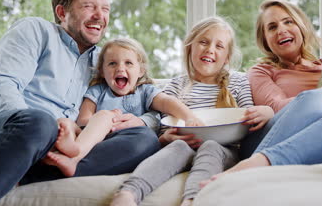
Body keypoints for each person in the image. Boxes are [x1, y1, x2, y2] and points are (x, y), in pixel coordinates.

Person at [0, 0, 160, 206]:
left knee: (145, 139)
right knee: (40, 122)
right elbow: (0, 87)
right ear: (62, 12)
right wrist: (52, 126)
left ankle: (28, 173)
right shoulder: (36, 30)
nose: (100, 16)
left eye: (105, 9)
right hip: (6, 133)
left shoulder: (106, 61)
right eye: (89, 6)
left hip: (62, 147)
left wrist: (144, 121)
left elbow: (142, 94)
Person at [200, 0, 322, 187]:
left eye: (288, 22)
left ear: (302, 26)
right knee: (318, 98)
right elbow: (276, 107)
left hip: (318, 139)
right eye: (272, 27)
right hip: (269, 138)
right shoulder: (261, 71)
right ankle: (256, 162)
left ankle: (261, 166)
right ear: (265, 39)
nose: (281, 30)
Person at [110, 16, 274, 206]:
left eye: (219, 46)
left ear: (227, 57)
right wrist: (166, 138)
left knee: (211, 146)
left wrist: (267, 111)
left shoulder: (237, 81)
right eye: (203, 42)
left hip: (225, 151)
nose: (210, 49)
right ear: (190, 48)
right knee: (178, 147)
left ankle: (193, 200)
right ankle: (128, 194)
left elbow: (248, 117)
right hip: (184, 146)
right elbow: (164, 130)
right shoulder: (176, 86)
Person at [44, 38, 204, 177]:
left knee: (147, 138)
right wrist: (107, 121)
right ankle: (73, 151)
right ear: (102, 71)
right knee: (68, 122)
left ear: (140, 70)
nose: (120, 68)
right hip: (94, 141)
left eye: (128, 63)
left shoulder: (145, 91)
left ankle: (74, 155)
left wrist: (189, 117)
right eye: (112, 63)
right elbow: (83, 120)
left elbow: (167, 102)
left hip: (125, 144)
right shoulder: (98, 91)